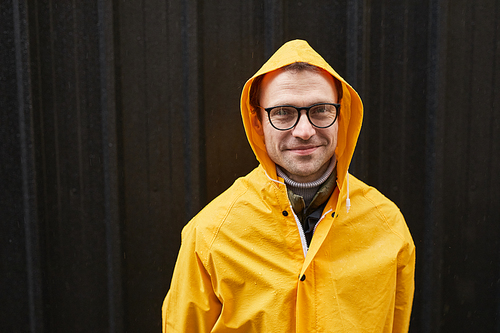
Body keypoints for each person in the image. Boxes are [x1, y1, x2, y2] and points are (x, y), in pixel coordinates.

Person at [162, 39, 415, 332]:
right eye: (283, 112)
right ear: (257, 121)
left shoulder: (386, 225)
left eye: (320, 109)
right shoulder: (210, 235)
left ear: (340, 115)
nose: (304, 131)